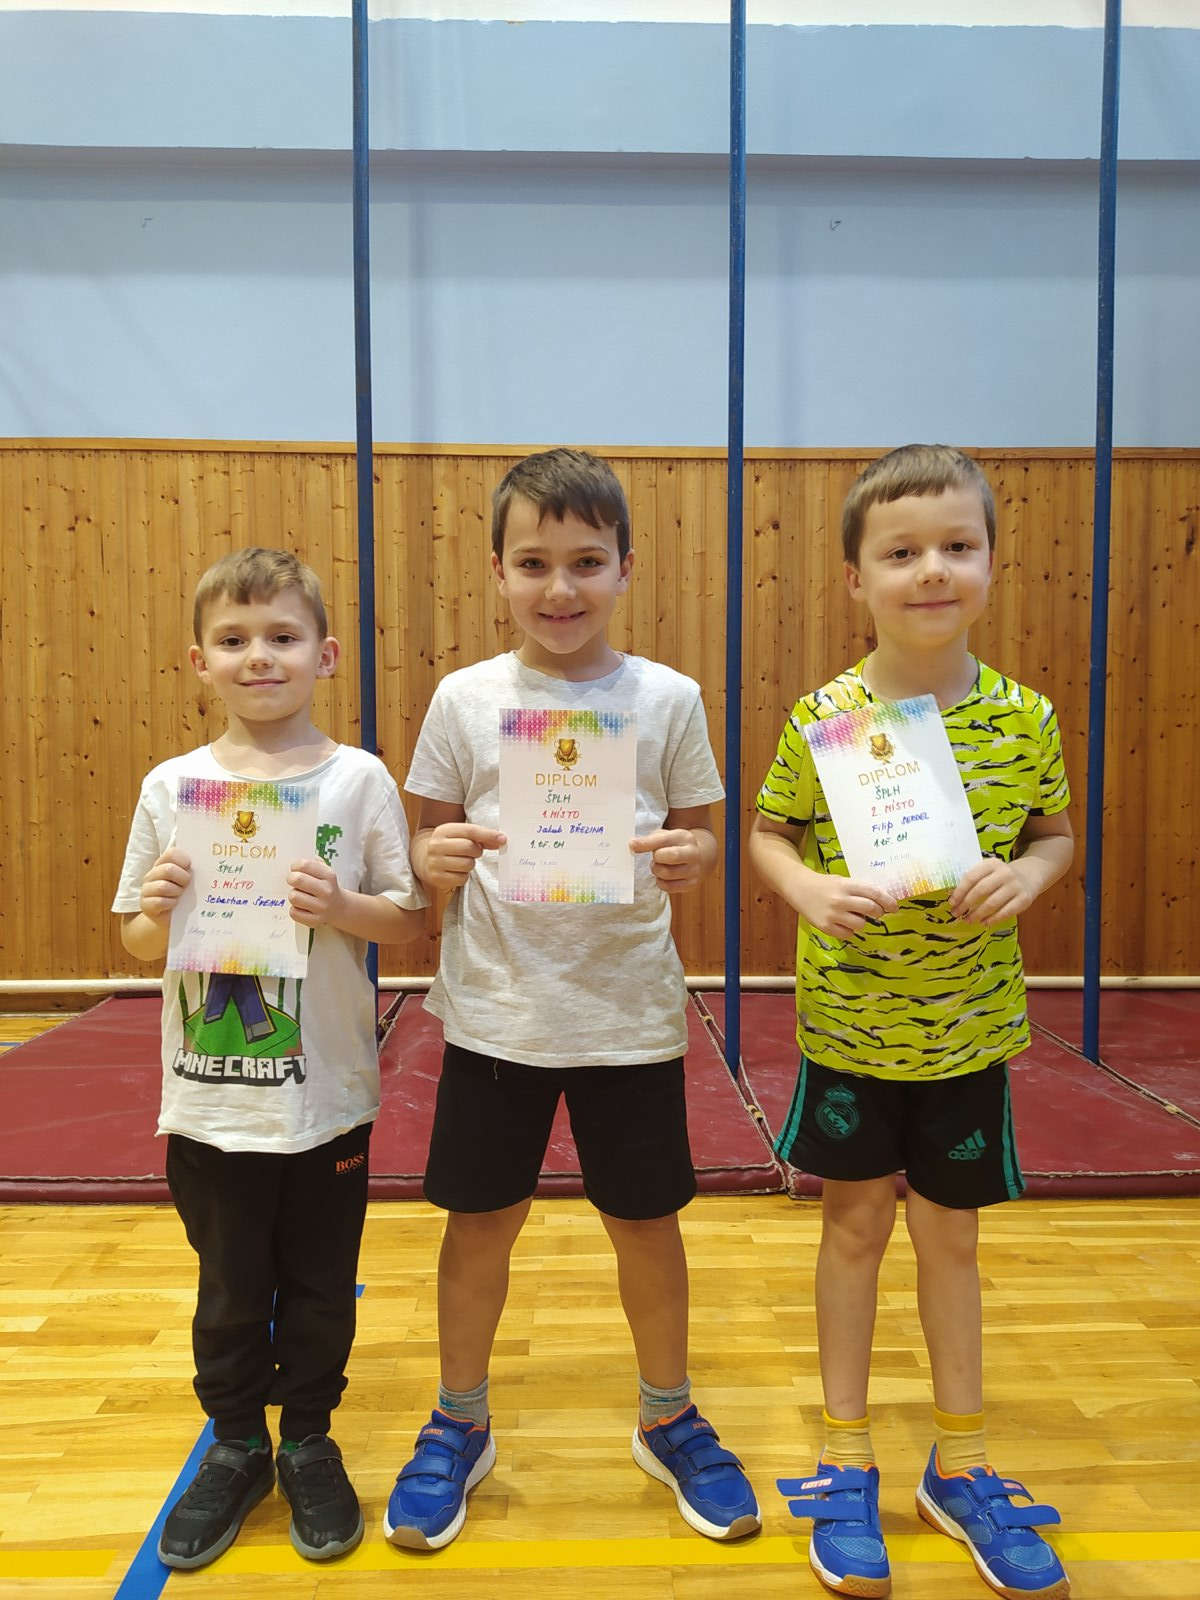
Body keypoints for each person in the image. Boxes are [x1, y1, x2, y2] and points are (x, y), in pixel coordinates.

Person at [384, 447, 760, 1551]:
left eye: (587, 562)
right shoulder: (465, 698)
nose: (561, 587)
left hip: (627, 1013)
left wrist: (691, 858)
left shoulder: (668, 697)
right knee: (479, 1222)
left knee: (645, 1222)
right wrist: (435, 855)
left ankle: (668, 1414)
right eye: (535, 562)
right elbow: (424, 838)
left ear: (626, 567)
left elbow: (700, 833)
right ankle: (460, 1419)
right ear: (499, 571)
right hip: (496, 1010)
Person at [750, 446, 1074, 1600]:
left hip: (968, 1036)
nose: (931, 569)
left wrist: (1029, 877)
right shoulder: (824, 717)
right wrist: (805, 889)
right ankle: (846, 1457)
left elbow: (1053, 836)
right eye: (901, 551)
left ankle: (962, 1462)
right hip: (852, 1032)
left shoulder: (1026, 718)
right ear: (857, 578)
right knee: (851, 1231)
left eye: (956, 546)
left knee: (953, 1241)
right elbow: (771, 833)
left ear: (991, 562)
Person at [112, 548, 426, 1570]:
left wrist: (342, 906)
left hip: (325, 1098)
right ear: (198, 660)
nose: (260, 656)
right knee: (230, 1289)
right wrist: (155, 907)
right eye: (235, 639)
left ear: (324, 654)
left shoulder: (357, 779)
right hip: (209, 1103)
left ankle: (309, 1439)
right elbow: (136, 942)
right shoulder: (173, 787)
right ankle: (238, 1442)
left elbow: (406, 920)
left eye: (283, 637)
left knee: (323, 1287)